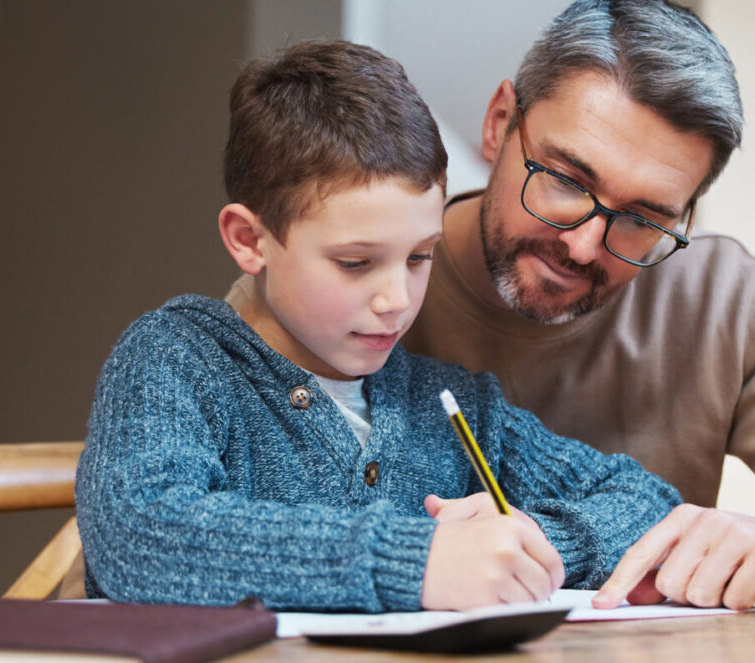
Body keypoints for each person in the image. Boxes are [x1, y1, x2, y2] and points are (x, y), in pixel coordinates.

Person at [397, 0, 755, 609]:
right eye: (567, 181)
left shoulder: (724, 303)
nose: (582, 244)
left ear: (686, 216)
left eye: (641, 219)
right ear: (498, 124)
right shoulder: (355, 277)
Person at [74, 39, 684, 613]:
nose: (396, 300)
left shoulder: (449, 406)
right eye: (355, 263)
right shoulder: (175, 358)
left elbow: (649, 505)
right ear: (249, 239)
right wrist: (413, 560)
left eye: (420, 257)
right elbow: (141, 536)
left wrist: (532, 538)